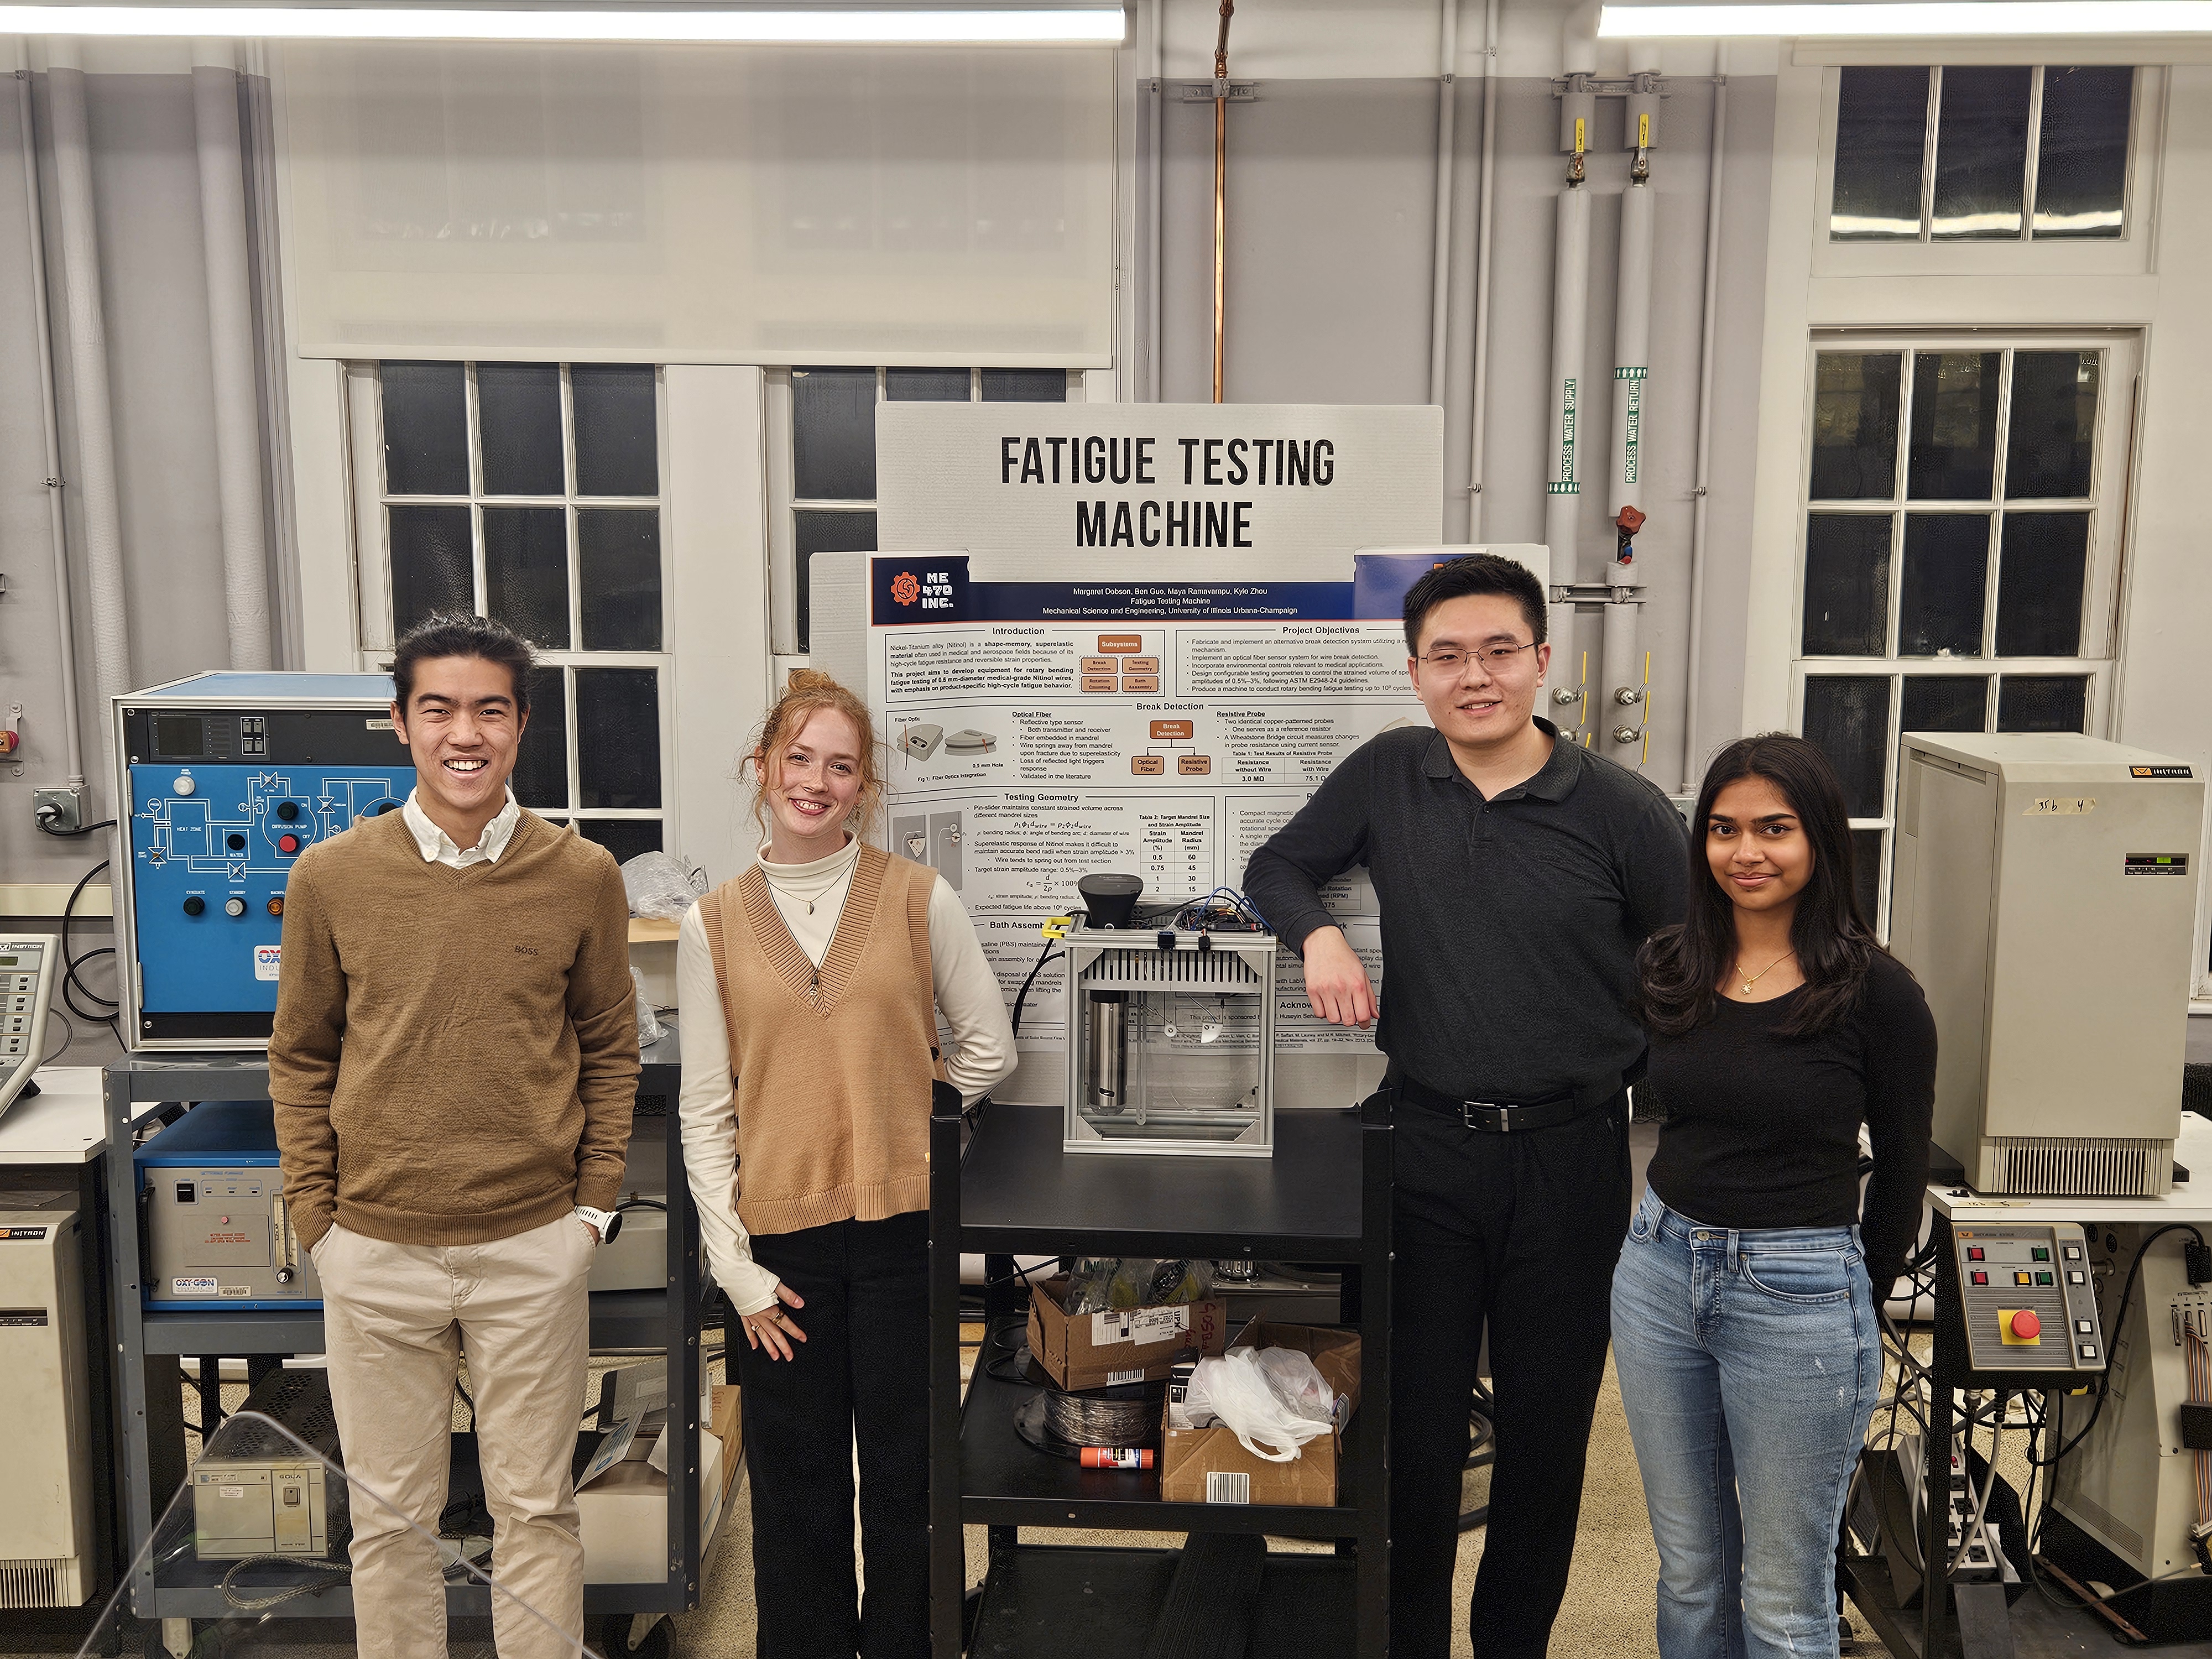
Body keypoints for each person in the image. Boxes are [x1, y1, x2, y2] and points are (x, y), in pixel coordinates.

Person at [1243, 553, 1689, 1659]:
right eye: (1446, 657)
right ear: (1414, 673)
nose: (1473, 677)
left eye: (1497, 652)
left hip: (1572, 1160)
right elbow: (1275, 865)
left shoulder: (1624, 812)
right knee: (1413, 1438)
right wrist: (1319, 934)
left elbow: (1689, 978)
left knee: (1542, 1440)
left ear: (1541, 661)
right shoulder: (1390, 773)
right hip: (1426, 1150)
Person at [272, 612, 639, 1659]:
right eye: (438, 709)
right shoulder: (332, 878)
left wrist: (592, 1208)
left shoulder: (582, 876)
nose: (463, 733)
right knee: (390, 1521)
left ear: (522, 726)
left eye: (489, 709)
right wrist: (319, 1223)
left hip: (533, 1245)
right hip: (376, 1249)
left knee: (537, 1511)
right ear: (401, 723)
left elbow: (611, 1046)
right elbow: (300, 1055)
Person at [676, 669, 1014, 1659]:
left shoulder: (917, 898)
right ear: (763, 768)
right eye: (799, 759)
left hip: (904, 1237)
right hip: (777, 1253)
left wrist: (912, 1102)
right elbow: (706, 1110)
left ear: (866, 787)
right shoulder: (715, 925)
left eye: (841, 766)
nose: (816, 782)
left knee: (911, 1479)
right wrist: (732, 1269)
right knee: (796, 1484)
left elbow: (987, 1050)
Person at [1611, 734, 1934, 1659]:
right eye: (1723, 829)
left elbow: (1905, 1165)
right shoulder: (1671, 964)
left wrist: (1852, 1301)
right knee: (1690, 1569)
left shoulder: (1878, 992)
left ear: (1820, 842)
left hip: (1800, 1291)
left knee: (1783, 1597)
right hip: (1660, 1273)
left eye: (1773, 829)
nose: (1745, 851)